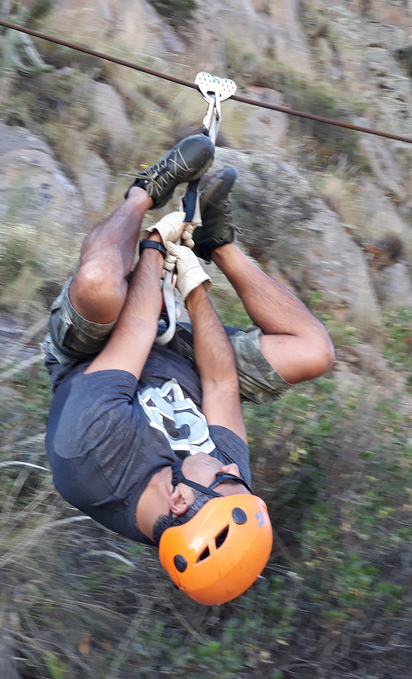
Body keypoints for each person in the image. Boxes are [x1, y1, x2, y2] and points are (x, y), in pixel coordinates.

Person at [42, 134, 335, 605]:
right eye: (234, 475)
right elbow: (219, 384)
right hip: (186, 360)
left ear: (179, 501)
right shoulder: (221, 489)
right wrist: (196, 282)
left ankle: (142, 191)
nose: (229, 463)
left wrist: (158, 244)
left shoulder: (91, 456)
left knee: (99, 286)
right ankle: (219, 241)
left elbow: (136, 329)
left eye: (225, 475)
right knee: (315, 351)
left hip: (96, 353)